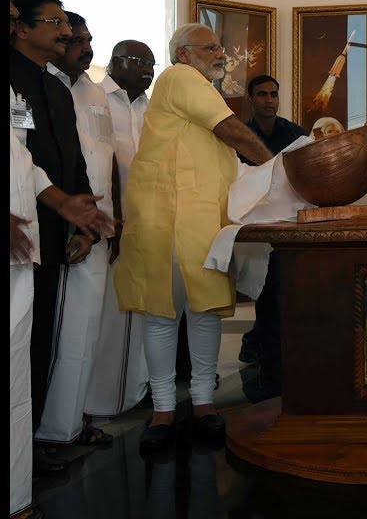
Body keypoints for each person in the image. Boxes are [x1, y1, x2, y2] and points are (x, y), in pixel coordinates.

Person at [114, 23, 274, 451]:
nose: (220, 53)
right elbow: (231, 131)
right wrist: (278, 168)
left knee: (204, 311)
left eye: (220, 46)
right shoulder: (181, 78)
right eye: (210, 47)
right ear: (183, 54)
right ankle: (165, 408)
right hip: (165, 217)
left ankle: (203, 402)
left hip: (200, 219)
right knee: (162, 313)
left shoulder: (198, 85)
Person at [11, 0, 113, 518]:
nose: (65, 31)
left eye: (64, 22)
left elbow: (69, 163)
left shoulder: (55, 88)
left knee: (38, 342)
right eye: (52, 22)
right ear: (22, 29)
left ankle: (28, 451)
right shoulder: (11, 78)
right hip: (20, 226)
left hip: (54, 231)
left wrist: (85, 226)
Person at [35, 12, 117, 448]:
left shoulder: (94, 90)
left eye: (88, 39)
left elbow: (104, 160)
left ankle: (69, 422)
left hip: (94, 228)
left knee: (85, 330)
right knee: (51, 333)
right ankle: (45, 431)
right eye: (75, 39)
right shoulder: (37, 84)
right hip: (52, 226)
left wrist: (104, 224)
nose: (85, 48)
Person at [84, 40, 156, 418]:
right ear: (115, 63)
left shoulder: (152, 107)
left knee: (141, 311)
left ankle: (135, 387)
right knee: (107, 313)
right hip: (107, 223)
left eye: (151, 63)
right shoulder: (95, 97)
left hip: (148, 223)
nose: (147, 69)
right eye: (139, 62)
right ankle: (98, 396)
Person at [234, 75, 308, 402]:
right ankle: (267, 368)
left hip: (289, 226)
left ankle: (288, 363)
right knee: (265, 297)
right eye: (262, 94)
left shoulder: (294, 135)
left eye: (274, 94)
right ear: (251, 98)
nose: (269, 100)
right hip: (256, 227)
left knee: (288, 295)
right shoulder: (240, 136)